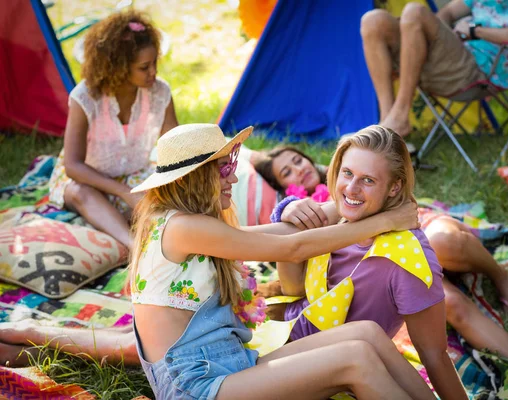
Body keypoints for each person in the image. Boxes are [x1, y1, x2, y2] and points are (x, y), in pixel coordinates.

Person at [270, 126, 508, 400]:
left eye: (366, 179)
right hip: (308, 330)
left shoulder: (406, 253)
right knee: (447, 296)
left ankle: (499, 276)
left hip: (412, 231)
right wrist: (287, 209)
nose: (351, 186)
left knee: (444, 261)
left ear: (394, 186)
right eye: (347, 173)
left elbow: (434, 355)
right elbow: (294, 279)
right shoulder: (335, 211)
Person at [128, 123, 433, 400]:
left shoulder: (183, 223)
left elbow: (284, 232)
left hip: (228, 365)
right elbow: (292, 248)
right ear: (194, 177)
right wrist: (387, 220)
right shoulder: (182, 228)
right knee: (357, 359)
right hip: (197, 388)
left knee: (366, 333)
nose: (233, 176)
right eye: (224, 168)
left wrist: (301, 207)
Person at [254, 141, 508, 311]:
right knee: (448, 303)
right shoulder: (302, 208)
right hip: (370, 252)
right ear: (281, 187)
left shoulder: (344, 173)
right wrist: (287, 207)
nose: (297, 170)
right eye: (286, 172)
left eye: (297, 160)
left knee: (442, 243)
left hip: (408, 222)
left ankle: (500, 275)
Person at [48, 10, 178, 249]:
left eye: (155, 63)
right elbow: (73, 166)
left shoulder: (160, 93)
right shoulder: (85, 97)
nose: (153, 72)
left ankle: (135, 229)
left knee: (166, 205)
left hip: (134, 175)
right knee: (81, 193)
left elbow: (177, 147)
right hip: (87, 178)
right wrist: (124, 192)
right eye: (144, 67)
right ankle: (132, 246)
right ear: (118, 68)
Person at [360, 0, 508, 139]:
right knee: (373, 21)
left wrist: (475, 30)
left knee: (415, 11)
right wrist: (441, 36)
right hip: (447, 63)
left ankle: (400, 116)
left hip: (479, 73)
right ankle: (387, 123)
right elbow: (447, 13)